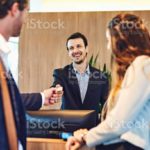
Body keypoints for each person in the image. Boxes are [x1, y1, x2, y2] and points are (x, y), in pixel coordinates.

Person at [66, 13, 150, 150]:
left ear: (121, 39)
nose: (108, 47)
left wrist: (86, 137)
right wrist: (88, 137)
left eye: (108, 40)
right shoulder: (140, 66)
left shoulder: (142, 65)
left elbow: (118, 123)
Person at [0, 0, 63, 149]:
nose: (26, 20)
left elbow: (9, 102)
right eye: (27, 11)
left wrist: (42, 97)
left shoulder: (4, 54)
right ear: (15, 9)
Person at [52, 32, 109, 120]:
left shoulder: (101, 77)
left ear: (86, 49)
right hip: (68, 129)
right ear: (68, 52)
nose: (75, 51)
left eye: (79, 46)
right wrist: (56, 89)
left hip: (92, 130)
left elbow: (107, 106)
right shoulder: (61, 74)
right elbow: (56, 85)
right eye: (71, 48)